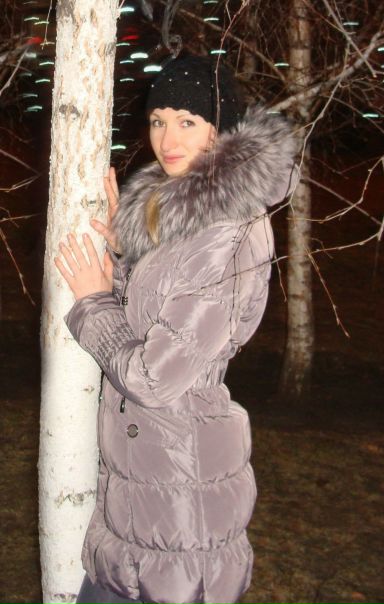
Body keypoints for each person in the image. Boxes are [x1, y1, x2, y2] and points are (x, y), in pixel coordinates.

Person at [55, 55, 296, 604]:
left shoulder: (228, 231)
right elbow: (152, 316)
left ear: (222, 128)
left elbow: (155, 376)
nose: (167, 138)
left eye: (187, 121)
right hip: (146, 486)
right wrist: (128, 253)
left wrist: (93, 301)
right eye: (158, 120)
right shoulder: (185, 212)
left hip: (182, 495)